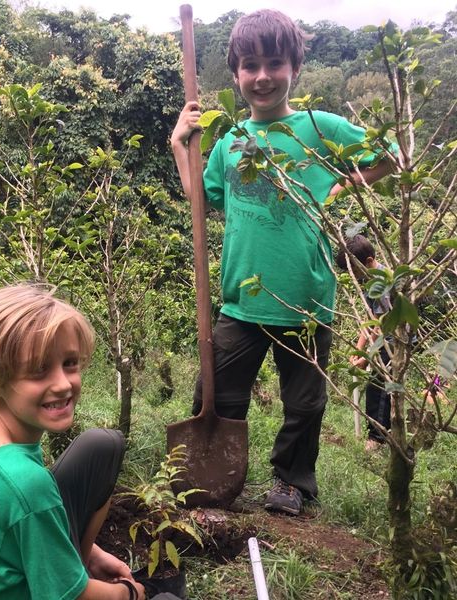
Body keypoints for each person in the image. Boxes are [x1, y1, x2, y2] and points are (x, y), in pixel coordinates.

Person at [170, 9, 393, 515]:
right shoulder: (227, 140)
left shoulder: (316, 128)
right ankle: (217, 477)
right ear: (236, 74)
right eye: (251, 65)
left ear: (295, 67)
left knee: (304, 405)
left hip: (306, 302)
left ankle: (292, 483)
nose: (263, 76)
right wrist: (178, 143)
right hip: (241, 302)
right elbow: (200, 205)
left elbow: (392, 154)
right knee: (218, 394)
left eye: (275, 63)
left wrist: (342, 184)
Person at [0, 283, 146, 600]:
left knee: (103, 445)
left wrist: (93, 555)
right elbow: (71, 597)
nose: (62, 384)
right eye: (38, 369)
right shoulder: (27, 486)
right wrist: (130, 592)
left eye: (69, 363)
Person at [336, 234, 392, 451]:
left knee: (382, 388)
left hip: (393, 342)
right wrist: (359, 350)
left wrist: (367, 355)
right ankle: (383, 433)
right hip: (381, 340)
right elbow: (369, 320)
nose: (355, 276)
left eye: (356, 270)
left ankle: (377, 438)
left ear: (369, 262)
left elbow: (381, 324)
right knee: (377, 386)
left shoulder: (382, 280)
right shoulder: (370, 281)